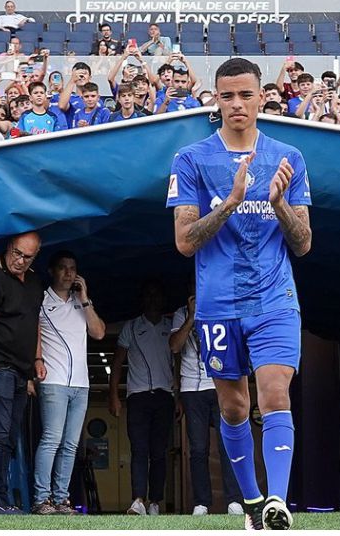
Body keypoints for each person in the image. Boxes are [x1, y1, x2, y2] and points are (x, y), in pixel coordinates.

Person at [167, 57, 312, 530]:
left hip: (274, 300)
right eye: (226, 95)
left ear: (262, 97)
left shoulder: (289, 157)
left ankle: (277, 502)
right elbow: (185, 242)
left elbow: (304, 242)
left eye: (245, 94)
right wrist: (230, 202)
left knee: (275, 394)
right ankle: (251, 504)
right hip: (217, 304)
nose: (236, 104)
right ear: (215, 98)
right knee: (233, 407)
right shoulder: (190, 159)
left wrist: (278, 205)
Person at [32, 251, 105, 515]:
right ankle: (42, 499)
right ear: (51, 270)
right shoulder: (40, 300)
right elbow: (32, 335)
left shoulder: (81, 301)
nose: (68, 273)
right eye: (62, 268)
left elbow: (98, 333)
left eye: (73, 268)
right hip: (53, 380)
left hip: (81, 383)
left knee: (71, 444)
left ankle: (62, 500)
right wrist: (35, 363)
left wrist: (85, 299)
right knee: (52, 438)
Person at [0, 232, 45, 515]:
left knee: (9, 435)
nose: (19, 260)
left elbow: (34, 324)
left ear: (35, 257)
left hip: (21, 370)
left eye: (27, 257)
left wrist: (36, 361)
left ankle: (0, 499)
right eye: (16, 253)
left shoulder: (34, 282)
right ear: (8, 247)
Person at [169, 280, 244, 517]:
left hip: (220, 384)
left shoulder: (222, 308)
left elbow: (235, 344)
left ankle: (234, 501)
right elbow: (174, 347)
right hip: (192, 389)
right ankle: (201, 502)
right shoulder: (180, 314)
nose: (198, 292)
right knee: (198, 447)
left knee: (227, 445)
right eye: (193, 290)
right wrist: (191, 317)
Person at [108, 280, 175, 517]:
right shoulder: (132, 326)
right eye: (149, 294)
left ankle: (155, 501)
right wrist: (114, 395)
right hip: (137, 397)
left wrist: (179, 396)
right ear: (142, 299)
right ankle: (138, 500)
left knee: (159, 452)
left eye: (157, 294)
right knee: (139, 450)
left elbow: (178, 360)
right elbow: (117, 363)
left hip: (165, 398)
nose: (153, 299)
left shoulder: (171, 326)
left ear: (163, 299)